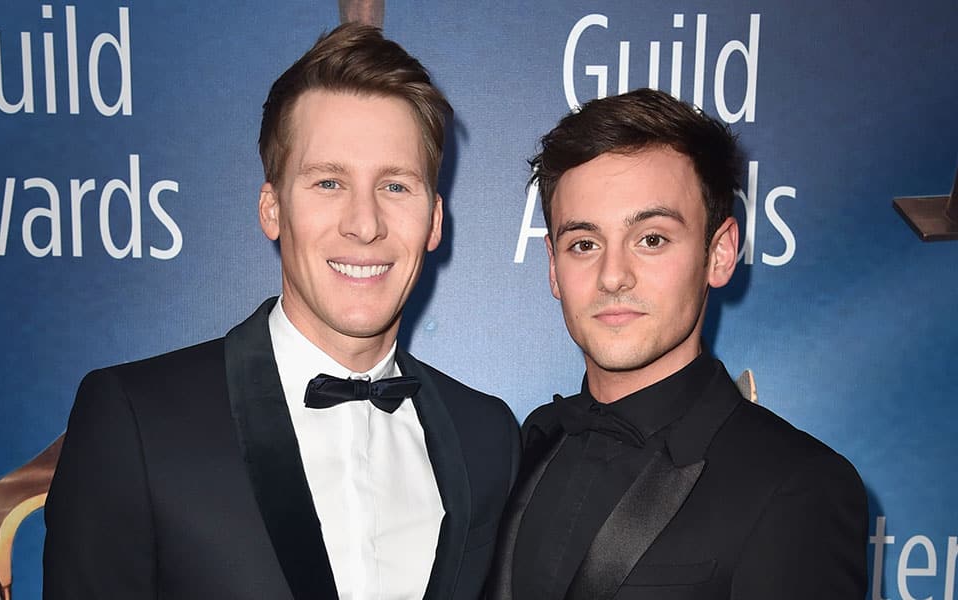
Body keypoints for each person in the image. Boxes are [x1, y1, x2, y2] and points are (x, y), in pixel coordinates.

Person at [44, 23, 519, 600]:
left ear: (435, 220)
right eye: (328, 182)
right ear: (272, 208)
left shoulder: (487, 437)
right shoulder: (136, 422)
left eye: (395, 187)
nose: (364, 224)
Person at [486, 89, 868, 599]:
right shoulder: (530, 443)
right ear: (554, 268)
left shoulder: (798, 487)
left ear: (720, 253)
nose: (613, 276)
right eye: (584, 244)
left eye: (652, 239)